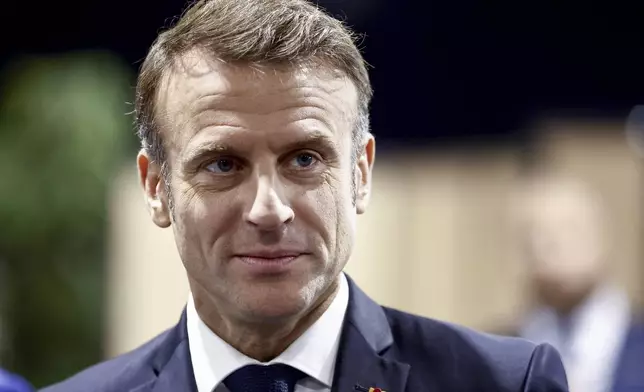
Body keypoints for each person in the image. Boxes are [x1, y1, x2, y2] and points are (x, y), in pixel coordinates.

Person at [41, 0, 568, 391]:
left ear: (361, 173)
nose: (269, 209)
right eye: (223, 164)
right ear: (157, 189)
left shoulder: (504, 382)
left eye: (304, 159)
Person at [508, 174, 644, 392]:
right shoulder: (498, 356)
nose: (554, 243)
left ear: (603, 235)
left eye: (570, 227)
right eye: (535, 232)